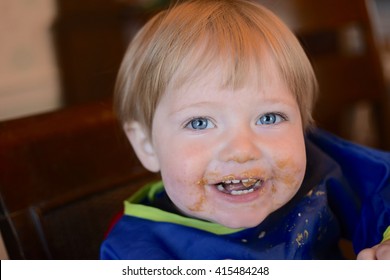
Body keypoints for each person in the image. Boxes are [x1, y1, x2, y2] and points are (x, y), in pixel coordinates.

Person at [100, 0, 390, 259]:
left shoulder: (321, 169)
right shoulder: (135, 252)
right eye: (199, 122)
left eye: (268, 118)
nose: (241, 150)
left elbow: (383, 186)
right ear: (146, 144)